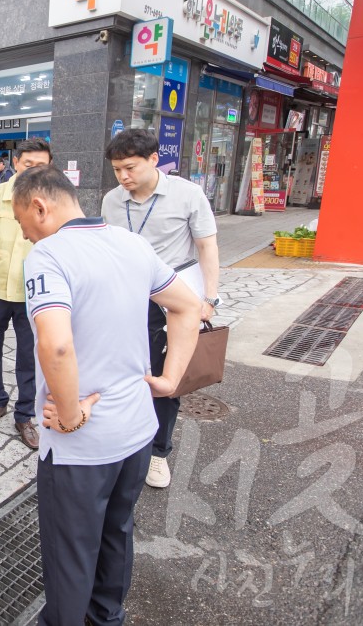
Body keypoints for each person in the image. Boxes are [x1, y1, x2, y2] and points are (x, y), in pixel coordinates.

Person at [11, 164, 200, 626]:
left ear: (40, 205)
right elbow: (189, 304)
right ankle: (106, 617)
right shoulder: (132, 243)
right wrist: (171, 380)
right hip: (136, 431)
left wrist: (72, 414)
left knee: (71, 551)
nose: (26, 237)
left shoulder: (49, 256)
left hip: (82, 447)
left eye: (23, 225)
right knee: (116, 532)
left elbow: (55, 344)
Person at [100, 129, 220, 489]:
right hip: (127, 297)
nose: (123, 177)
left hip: (174, 297)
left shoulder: (187, 194)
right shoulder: (111, 200)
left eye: (130, 168)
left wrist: (208, 299)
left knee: (169, 378)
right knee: (125, 370)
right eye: (117, 169)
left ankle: (158, 453)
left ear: (154, 160)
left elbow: (207, 247)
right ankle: (123, 439)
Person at [0, 138, 52, 450]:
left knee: (29, 356)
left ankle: (24, 415)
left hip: (33, 293)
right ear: (16, 163)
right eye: (28, 164)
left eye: (41, 166)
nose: (33, 171)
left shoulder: (52, 201)